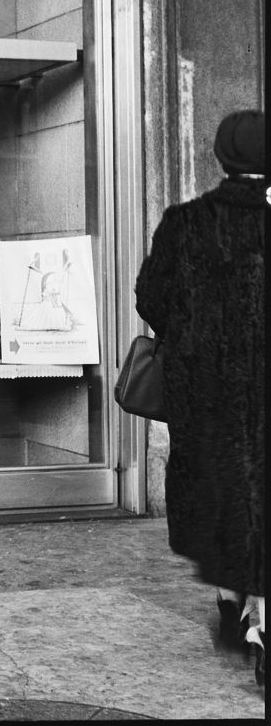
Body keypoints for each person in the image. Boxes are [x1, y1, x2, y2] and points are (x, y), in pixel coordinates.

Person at [135, 109, 265, 688]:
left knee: (218, 489)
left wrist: (191, 338)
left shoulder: (184, 222)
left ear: (220, 157)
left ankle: (230, 602)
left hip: (204, 389)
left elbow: (150, 296)